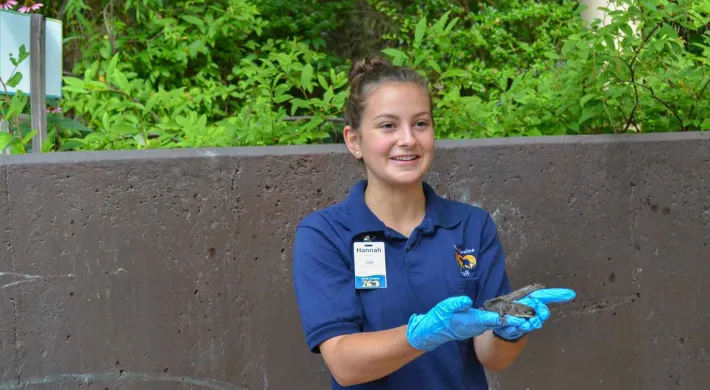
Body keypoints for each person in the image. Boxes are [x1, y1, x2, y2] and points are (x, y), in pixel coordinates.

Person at [291, 57, 576, 390]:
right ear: (354, 140)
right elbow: (344, 364)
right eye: (388, 126)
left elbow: (493, 358)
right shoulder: (325, 234)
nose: (408, 139)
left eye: (420, 124)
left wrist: (506, 329)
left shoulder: (471, 226)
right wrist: (422, 334)